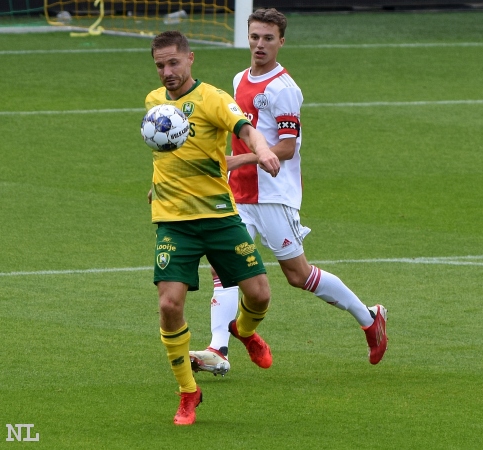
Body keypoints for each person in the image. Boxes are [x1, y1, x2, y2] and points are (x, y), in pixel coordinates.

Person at [188, 8, 387, 377]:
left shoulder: (283, 89)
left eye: (267, 38)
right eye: (254, 37)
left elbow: (287, 148)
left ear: (281, 41)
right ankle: (218, 348)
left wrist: (235, 160)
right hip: (238, 195)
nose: (259, 44)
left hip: (274, 195)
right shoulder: (239, 78)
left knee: (298, 275)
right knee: (224, 269)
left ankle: (370, 317)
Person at [145, 30, 282, 426]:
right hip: (174, 222)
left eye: (173, 62)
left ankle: (243, 330)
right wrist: (155, 186)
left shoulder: (214, 99)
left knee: (259, 295)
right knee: (169, 305)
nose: (167, 72)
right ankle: (189, 392)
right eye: (159, 65)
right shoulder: (154, 103)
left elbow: (245, 130)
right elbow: (168, 154)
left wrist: (262, 149)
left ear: (190, 59)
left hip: (220, 216)